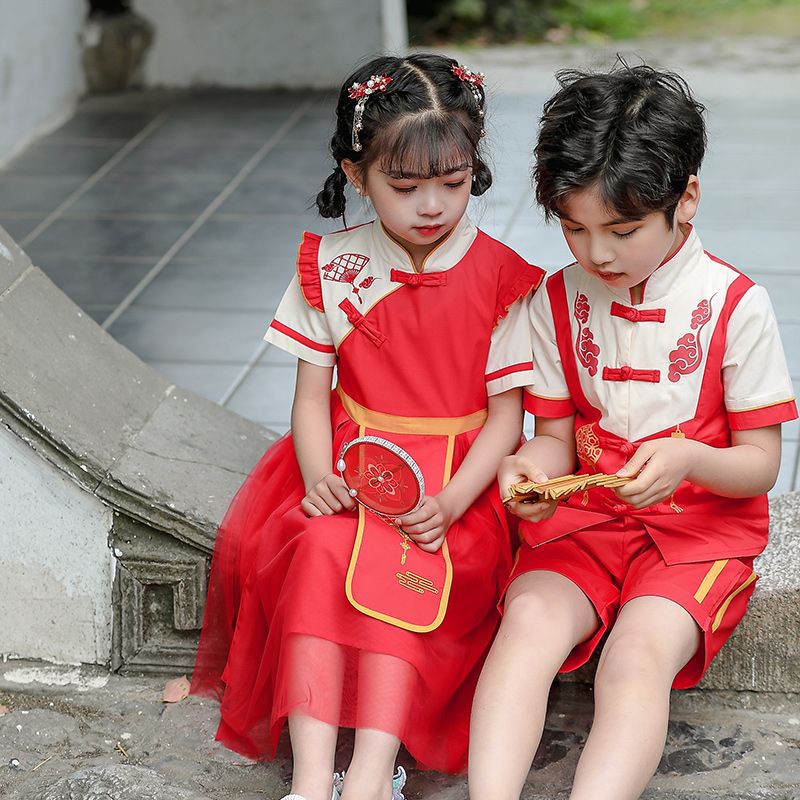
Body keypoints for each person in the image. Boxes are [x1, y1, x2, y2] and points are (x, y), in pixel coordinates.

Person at [190, 53, 544, 800]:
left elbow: (507, 418)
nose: (431, 206)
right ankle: (314, 779)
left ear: (472, 164)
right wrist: (317, 475)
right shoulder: (332, 266)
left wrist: (451, 503)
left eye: (452, 183)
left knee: (402, 566)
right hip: (352, 467)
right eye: (404, 186)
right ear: (356, 174)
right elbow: (312, 395)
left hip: (455, 484)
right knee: (318, 548)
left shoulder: (505, 281)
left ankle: (374, 774)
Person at [468, 63, 797, 800]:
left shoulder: (735, 304)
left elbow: (761, 465)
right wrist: (530, 468)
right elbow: (553, 434)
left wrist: (688, 459)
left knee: (633, 657)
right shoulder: (555, 300)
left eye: (622, 230)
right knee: (524, 625)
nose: (598, 255)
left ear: (686, 199)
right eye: (575, 229)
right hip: (587, 519)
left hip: (698, 532)